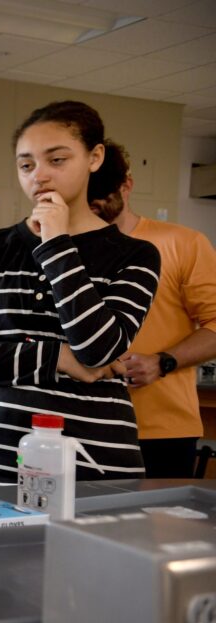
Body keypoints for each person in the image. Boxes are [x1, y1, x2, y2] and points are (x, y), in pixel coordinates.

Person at [0, 100, 161, 486]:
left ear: (94, 157)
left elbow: (98, 349)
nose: (39, 175)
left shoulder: (135, 255)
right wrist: (56, 356)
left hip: (94, 463)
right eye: (26, 165)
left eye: (56, 160)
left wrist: (57, 243)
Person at [88, 140, 216, 478]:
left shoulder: (183, 244)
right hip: (76, 425)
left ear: (127, 186)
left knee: (156, 530)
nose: (94, 207)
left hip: (160, 430)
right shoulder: (61, 249)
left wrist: (163, 362)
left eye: (104, 197)